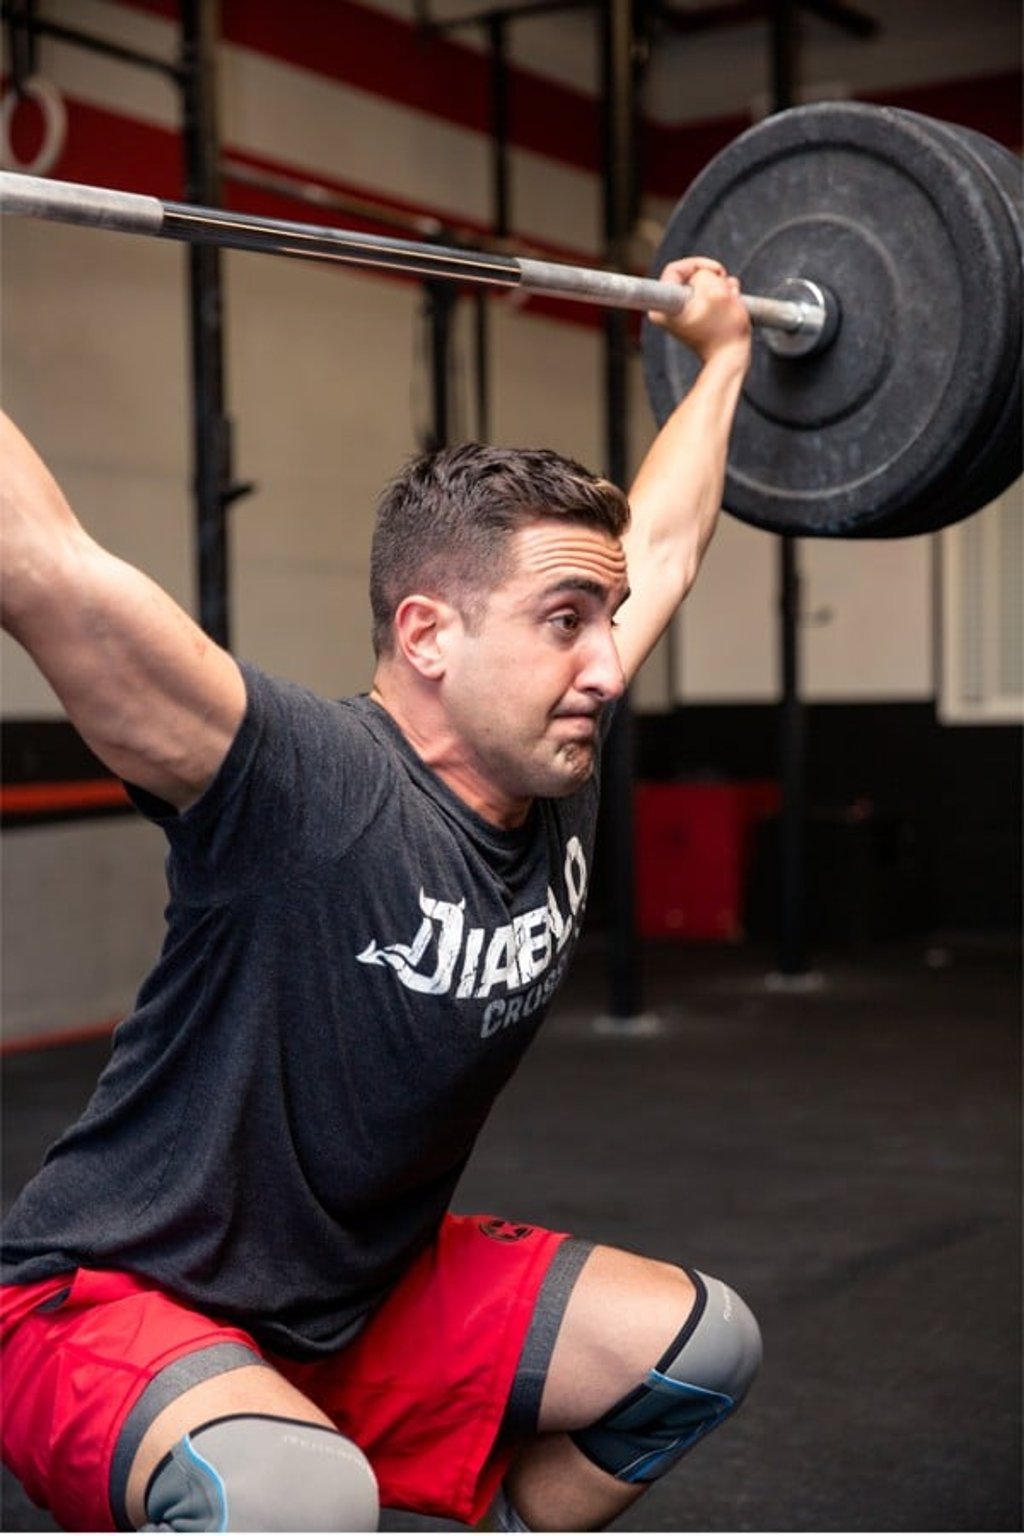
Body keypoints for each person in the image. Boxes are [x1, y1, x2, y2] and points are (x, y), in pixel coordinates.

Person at [1, 256, 759, 1534]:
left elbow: (670, 532)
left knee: (700, 1347)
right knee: (301, 1497)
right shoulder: (297, 780)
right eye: (567, 618)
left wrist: (725, 352)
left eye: (611, 619)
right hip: (110, 1300)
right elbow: (38, 563)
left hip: (357, 1302)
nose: (610, 665)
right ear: (426, 636)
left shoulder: (550, 755)